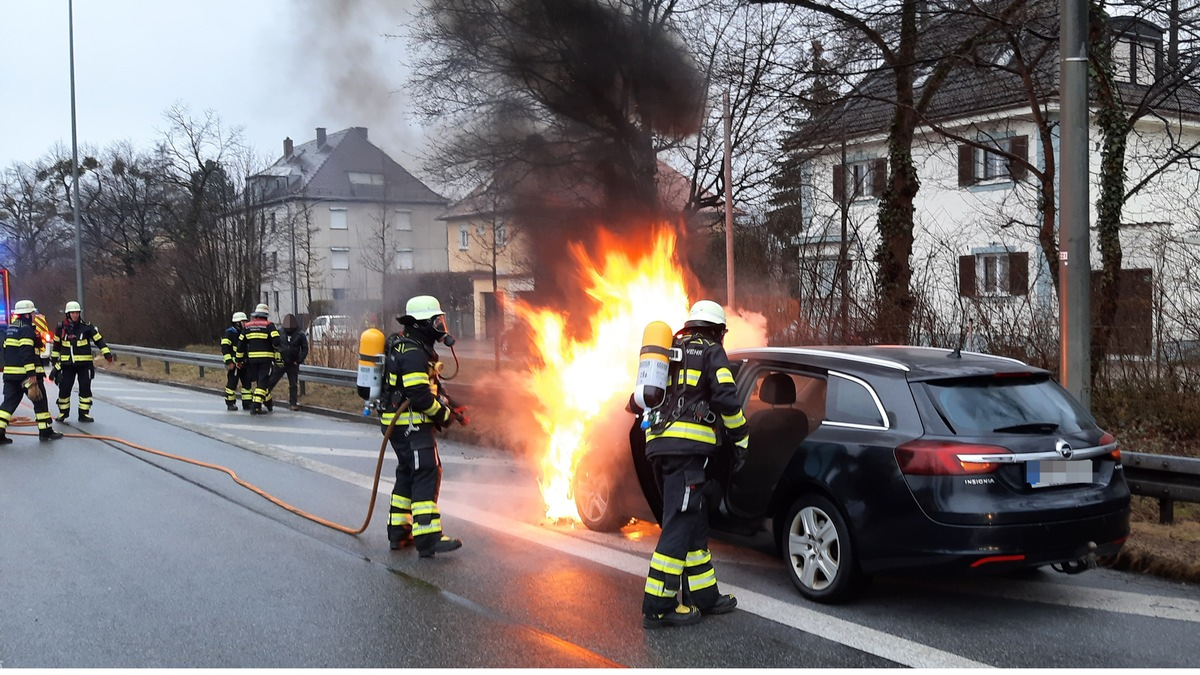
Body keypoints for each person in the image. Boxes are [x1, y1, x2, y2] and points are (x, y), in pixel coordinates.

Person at [630, 300, 748, 629]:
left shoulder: (669, 351)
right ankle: (658, 605)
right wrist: (741, 437)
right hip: (685, 452)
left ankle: (703, 595)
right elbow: (726, 397)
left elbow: (635, 401)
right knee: (680, 523)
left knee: (693, 522)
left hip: (657, 447)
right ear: (717, 330)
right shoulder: (711, 351)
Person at [380, 295, 467, 557]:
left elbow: (431, 388)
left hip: (400, 425)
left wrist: (455, 406)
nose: (441, 326)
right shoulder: (414, 352)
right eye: (436, 321)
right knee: (427, 470)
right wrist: (445, 416)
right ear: (422, 323)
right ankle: (428, 537)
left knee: (408, 472)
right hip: (411, 425)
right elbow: (418, 395)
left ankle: (399, 532)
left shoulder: (411, 346)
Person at [0, 300, 64, 443]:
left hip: (10, 375)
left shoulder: (11, 328)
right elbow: (26, 353)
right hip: (26, 375)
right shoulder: (26, 330)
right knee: (40, 401)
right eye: (33, 313)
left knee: (7, 405)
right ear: (28, 314)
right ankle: (45, 431)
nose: (35, 315)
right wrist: (31, 375)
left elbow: (6, 351)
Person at [49, 300, 114, 423]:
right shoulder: (61, 328)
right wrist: (54, 362)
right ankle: (63, 413)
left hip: (84, 365)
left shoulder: (87, 327)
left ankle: (84, 414)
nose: (75, 315)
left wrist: (107, 353)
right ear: (68, 314)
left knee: (85, 389)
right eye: (73, 313)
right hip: (67, 365)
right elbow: (56, 346)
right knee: (64, 389)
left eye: (77, 313)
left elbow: (98, 340)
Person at [239, 303, 282, 415]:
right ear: (266, 315)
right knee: (262, 383)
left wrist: (238, 360)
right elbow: (277, 341)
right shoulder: (269, 325)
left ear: (256, 314)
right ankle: (256, 406)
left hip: (252, 360)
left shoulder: (247, 326)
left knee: (260, 383)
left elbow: (240, 345)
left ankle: (268, 403)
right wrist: (276, 349)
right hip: (265, 359)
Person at [267, 313, 308, 410]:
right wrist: (275, 359)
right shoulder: (279, 332)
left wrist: (299, 360)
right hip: (280, 362)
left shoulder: (300, 334)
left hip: (293, 363)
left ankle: (293, 403)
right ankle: (263, 398)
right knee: (271, 381)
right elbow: (273, 345)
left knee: (293, 384)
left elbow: (305, 349)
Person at [221, 311, 249, 411]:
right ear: (237, 322)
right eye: (243, 321)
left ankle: (247, 403)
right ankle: (230, 403)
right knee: (232, 384)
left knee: (247, 384)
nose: (245, 323)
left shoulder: (245, 332)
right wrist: (229, 362)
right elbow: (225, 348)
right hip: (234, 364)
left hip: (244, 363)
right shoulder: (229, 333)